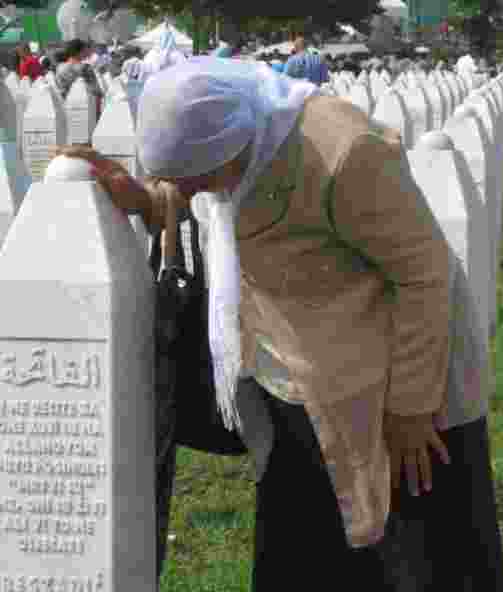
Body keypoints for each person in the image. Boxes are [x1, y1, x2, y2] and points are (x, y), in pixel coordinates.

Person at [61, 56, 452, 591]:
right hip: (284, 382)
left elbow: (424, 272)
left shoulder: (343, 152)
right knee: (294, 553)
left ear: (232, 143)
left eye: (194, 177)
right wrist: (146, 203)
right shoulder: (230, 157)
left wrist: (412, 405)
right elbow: (218, 216)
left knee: (385, 557)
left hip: (379, 391)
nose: (190, 191)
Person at [55, 39, 103, 112]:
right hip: (85, 109)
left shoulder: (59, 68)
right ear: (81, 51)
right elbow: (96, 91)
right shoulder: (86, 68)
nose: (87, 52)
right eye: (85, 50)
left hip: (66, 107)